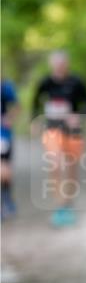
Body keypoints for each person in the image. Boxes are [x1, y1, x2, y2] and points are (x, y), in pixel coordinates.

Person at [32, 51, 86, 227]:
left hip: (73, 131)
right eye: (56, 64)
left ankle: (68, 203)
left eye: (62, 64)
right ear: (52, 65)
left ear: (67, 64)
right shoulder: (45, 82)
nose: (59, 67)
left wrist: (79, 116)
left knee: (71, 168)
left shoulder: (77, 82)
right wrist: (35, 121)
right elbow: (35, 103)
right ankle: (60, 205)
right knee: (55, 163)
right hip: (52, 129)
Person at [1, 78, 19, 219]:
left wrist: (9, 118)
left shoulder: (5, 87)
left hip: (3, 135)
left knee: (3, 168)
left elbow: (17, 106)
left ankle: (6, 200)